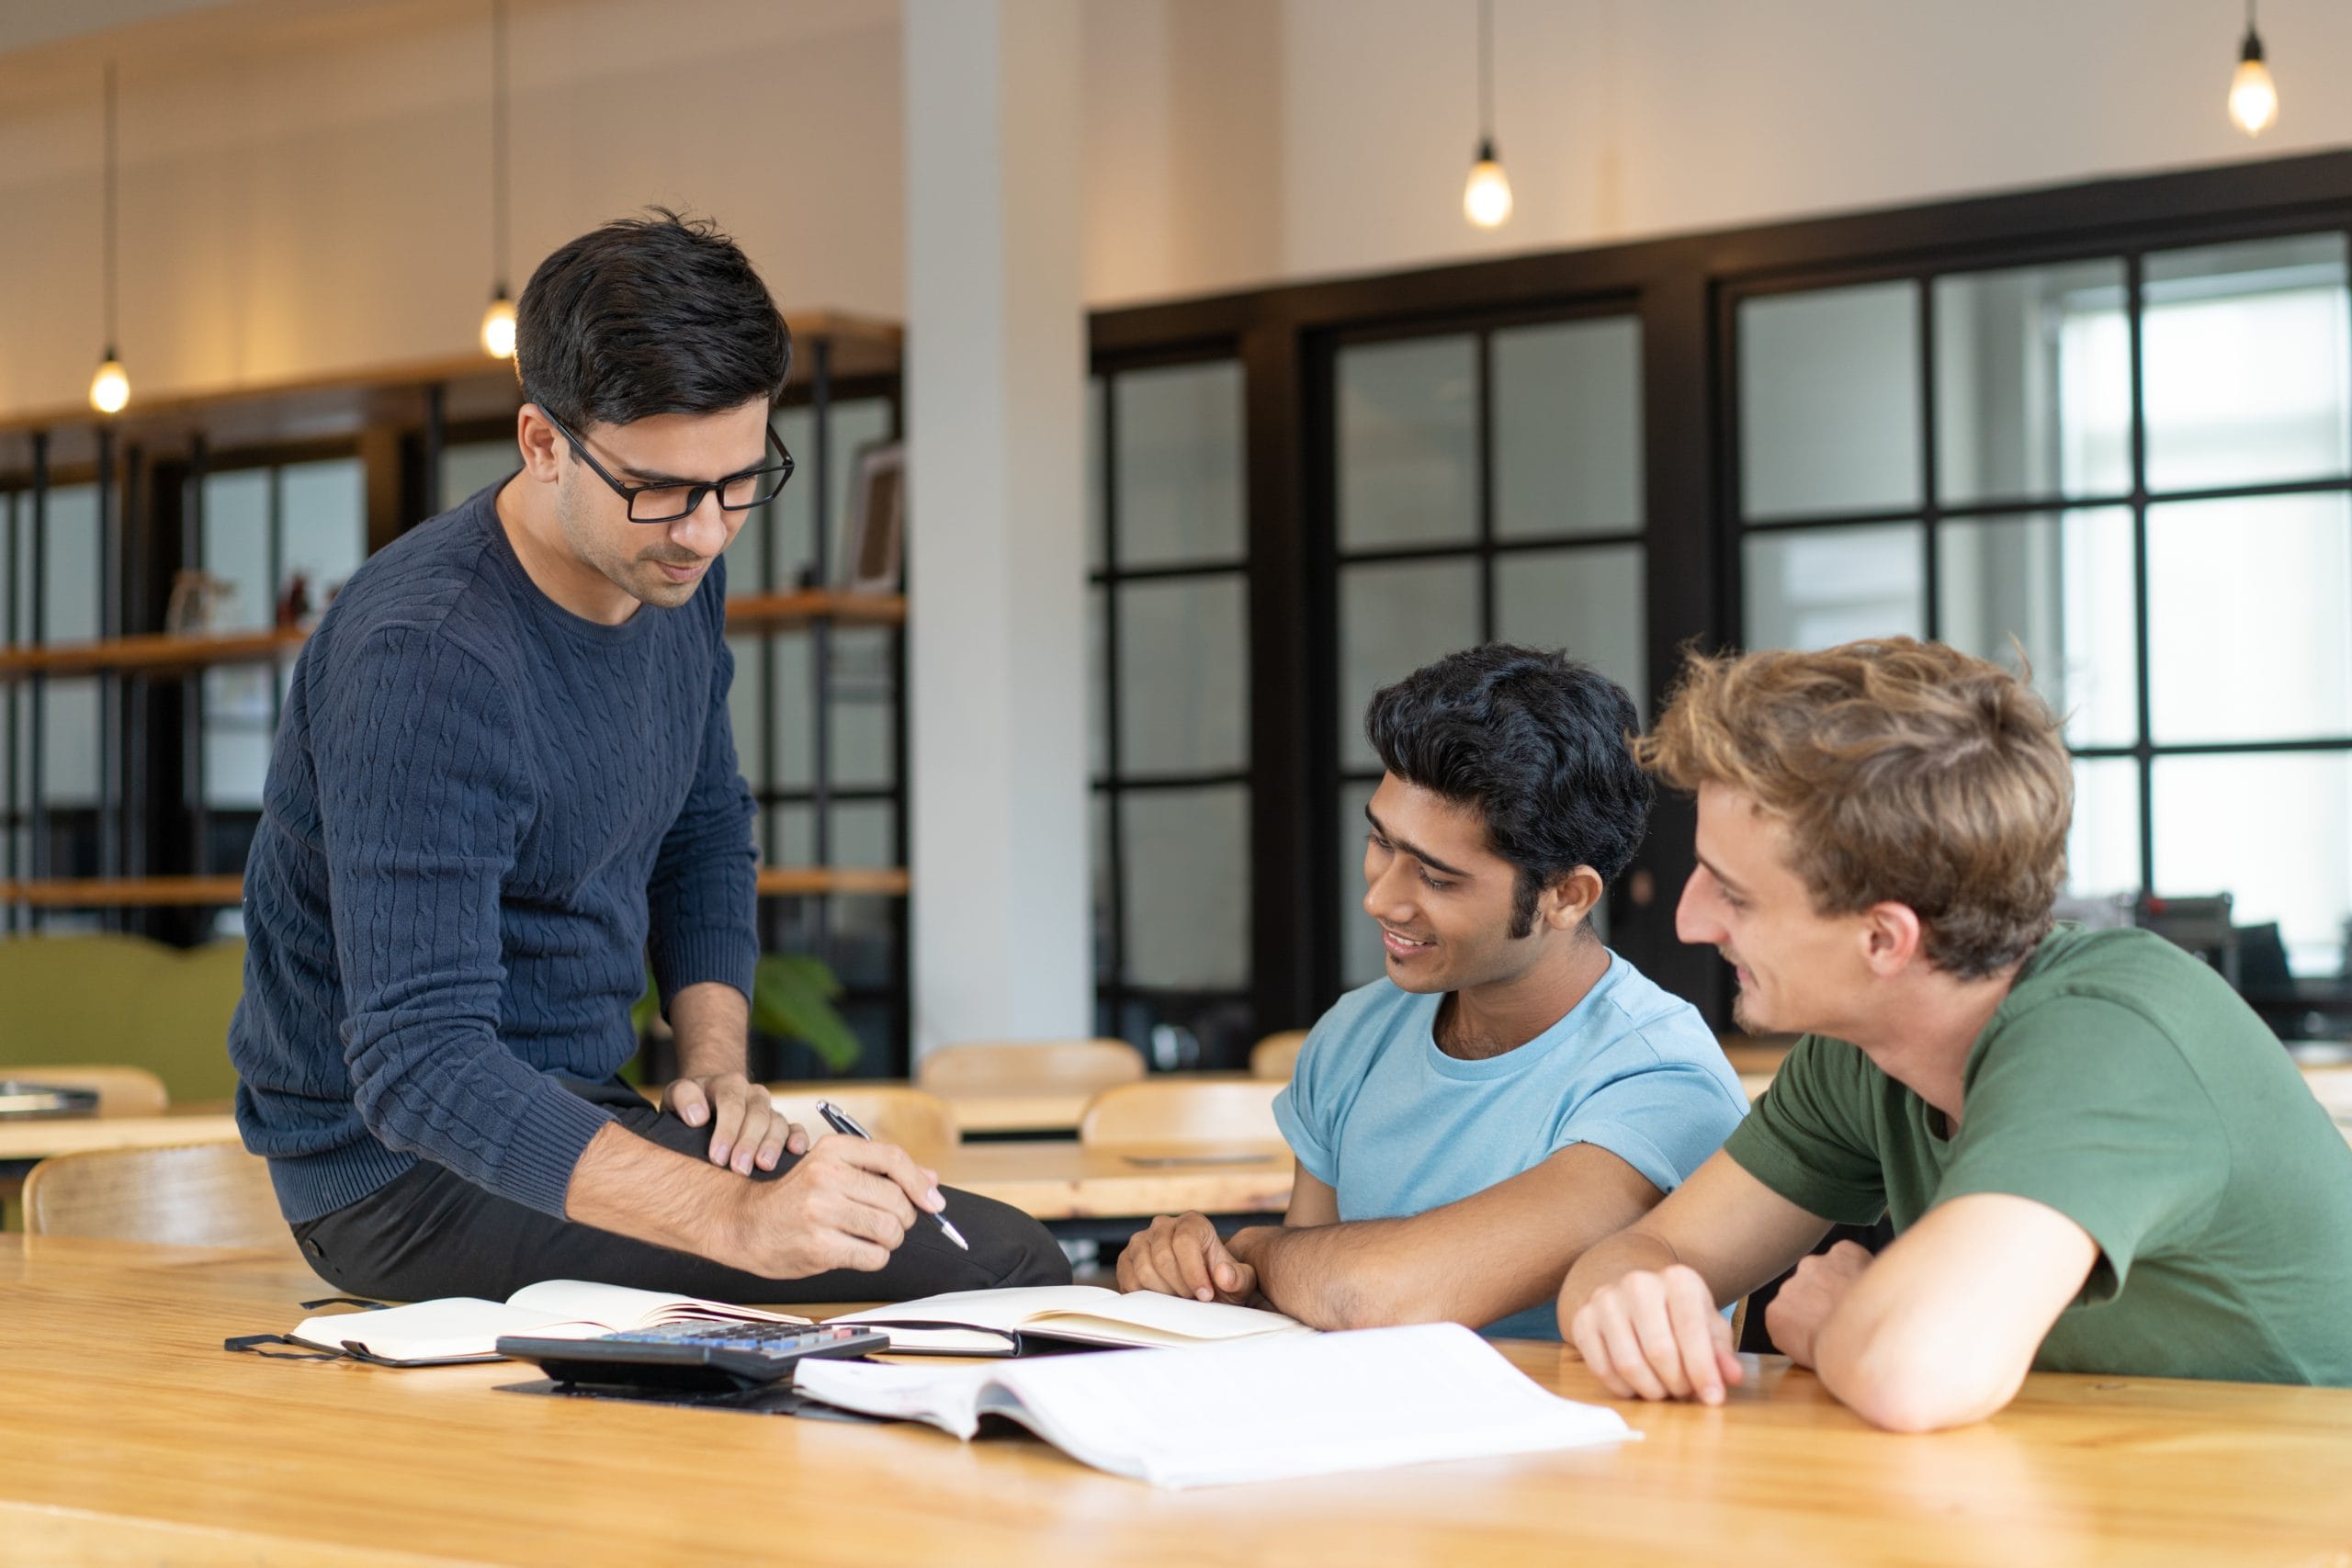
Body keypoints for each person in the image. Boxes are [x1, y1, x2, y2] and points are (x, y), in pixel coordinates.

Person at [228, 211, 1067, 1302]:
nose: (706, 533)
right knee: (997, 1273)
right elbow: (420, 1070)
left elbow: (705, 825)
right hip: (397, 1182)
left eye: (738, 483)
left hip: (582, 1113)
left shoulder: (668, 568)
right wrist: (739, 1218)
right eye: (659, 487)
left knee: (980, 1262)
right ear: (541, 442)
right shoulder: (426, 654)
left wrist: (714, 1064)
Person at [1559, 637, 2352, 1429]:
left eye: (1734, 895)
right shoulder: (1860, 1047)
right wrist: (1631, 1298)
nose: (1691, 921)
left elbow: (1913, 1372)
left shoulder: (2108, 1039)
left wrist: (1837, 1316)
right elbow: (1639, 1254)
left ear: (1885, 940)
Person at [1118, 646, 1748, 1337]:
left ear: (1566, 895)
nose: (1381, 899)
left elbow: (1373, 1295)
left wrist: (1260, 1250)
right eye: (1381, 842)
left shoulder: (1662, 1079)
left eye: (1437, 878)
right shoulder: (1355, 1033)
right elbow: (1303, 1320)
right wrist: (1203, 1275)